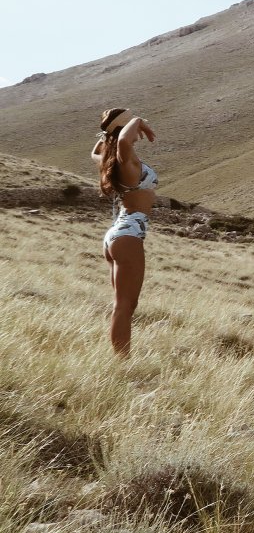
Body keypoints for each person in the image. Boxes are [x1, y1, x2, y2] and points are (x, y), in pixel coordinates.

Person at [93, 108, 158, 355]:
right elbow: (122, 140)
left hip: (118, 232)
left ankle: (121, 356)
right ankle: (122, 361)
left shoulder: (111, 160)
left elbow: (95, 151)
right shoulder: (125, 159)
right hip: (128, 234)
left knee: (124, 303)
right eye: (131, 121)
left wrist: (106, 134)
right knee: (124, 304)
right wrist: (138, 121)